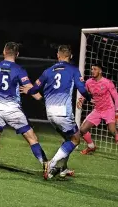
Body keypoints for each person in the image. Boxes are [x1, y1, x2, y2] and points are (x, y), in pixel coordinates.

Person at [21, 45, 92, 179]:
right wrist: (89, 98)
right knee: (75, 140)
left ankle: (63, 169)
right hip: (63, 112)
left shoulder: (48, 71)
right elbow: (82, 89)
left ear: (58, 56)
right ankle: (52, 164)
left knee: (68, 139)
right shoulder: (73, 70)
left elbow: (35, 88)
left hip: (49, 112)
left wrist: (28, 91)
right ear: (70, 57)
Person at [77, 62, 118, 154]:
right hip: (97, 110)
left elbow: (116, 96)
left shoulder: (107, 82)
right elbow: (85, 93)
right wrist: (81, 100)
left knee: (112, 131)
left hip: (108, 109)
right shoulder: (88, 82)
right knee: (83, 129)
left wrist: (116, 111)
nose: (92, 71)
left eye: (95, 69)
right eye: (92, 69)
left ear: (100, 71)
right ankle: (91, 147)